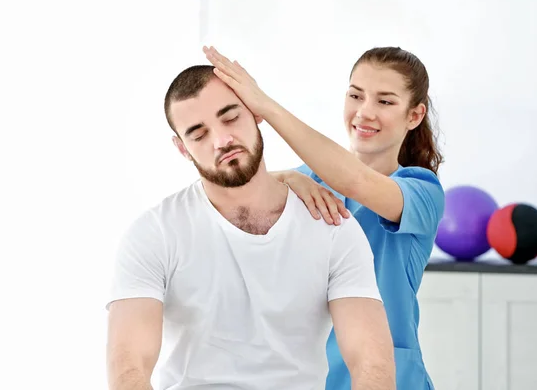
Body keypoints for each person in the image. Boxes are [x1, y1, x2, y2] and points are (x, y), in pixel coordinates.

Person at [105, 64, 397, 390]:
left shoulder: (332, 227)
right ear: (182, 148)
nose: (222, 140)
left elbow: (371, 362)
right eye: (199, 134)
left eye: (230, 118)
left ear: (256, 115)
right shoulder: (155, 233)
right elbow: (128, 365)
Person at [203, 45, 445, 390]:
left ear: (414, 115)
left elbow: (357, 181)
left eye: (385, 101)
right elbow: (222, 202)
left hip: (391, 378)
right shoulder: (305, 180)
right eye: (355, 95)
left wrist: (265, 106)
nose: (365, 112)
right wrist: (287, 178)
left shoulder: (422, 191)